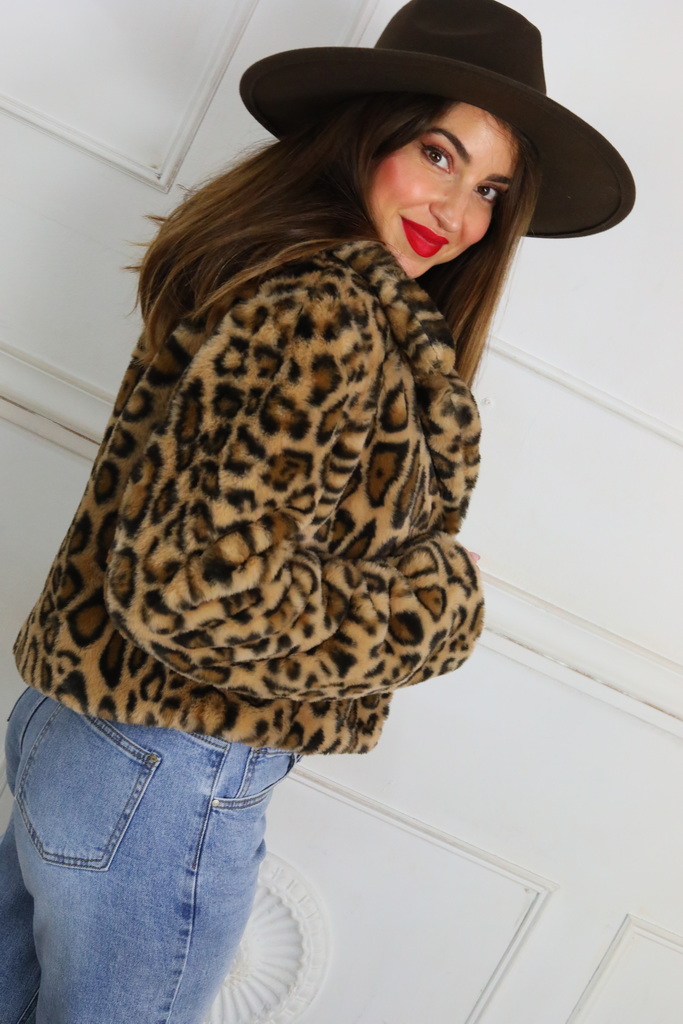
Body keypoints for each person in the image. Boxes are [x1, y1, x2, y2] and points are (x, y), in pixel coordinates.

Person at [0, 1, 634, 1021]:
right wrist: (432, 609)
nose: (455, 212)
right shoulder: (326, 314)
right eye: (437, 154)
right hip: (166, 763)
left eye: (488, 189)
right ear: (365, 133)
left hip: (85, 734)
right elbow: (201, 593)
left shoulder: (276, 271)